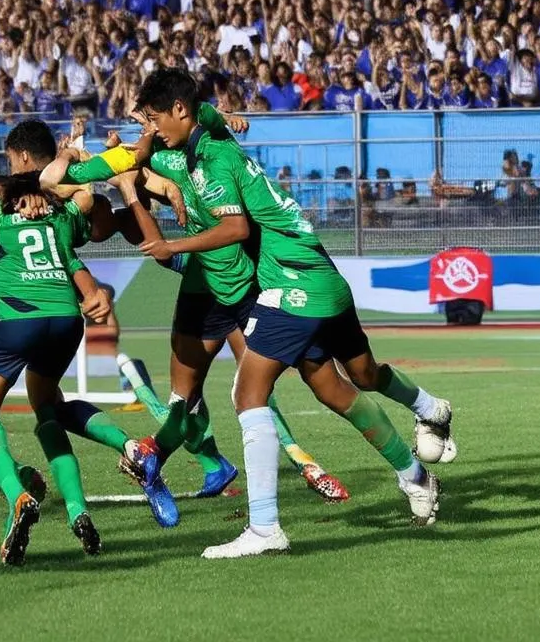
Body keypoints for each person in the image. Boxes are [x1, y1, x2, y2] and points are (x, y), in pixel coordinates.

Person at [131, 70, 455, 559]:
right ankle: (425, 434)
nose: (152, 129)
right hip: (322, 272)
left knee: (248, 392)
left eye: (156, 119)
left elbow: (236, 227)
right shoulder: (205, 137)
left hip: (291, 281)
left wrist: (170, 236)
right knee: (350, 379)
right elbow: (191, 125)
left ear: (180, 112)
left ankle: (265, 527)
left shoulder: (212, 160)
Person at [44, 106, 350, 507]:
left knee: (257, 387)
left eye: (150, 118)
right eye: (144, 120)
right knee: (187, 398)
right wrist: (103, 166)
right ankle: (195, 462)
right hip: (200, 284)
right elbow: (158, 242)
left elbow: (196, 132)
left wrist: (220, 117)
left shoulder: (174, 159)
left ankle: (301, 462)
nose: (147, 126)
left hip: (239, 283)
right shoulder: (132, 179)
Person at [0, 119, 175, 565]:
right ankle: (87, 498)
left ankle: (17, 494)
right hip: (65, 318)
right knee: (50, 408)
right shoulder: (64, 207)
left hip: (15, 319)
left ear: (20, 157)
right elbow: (85, 218)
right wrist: (76, 159)